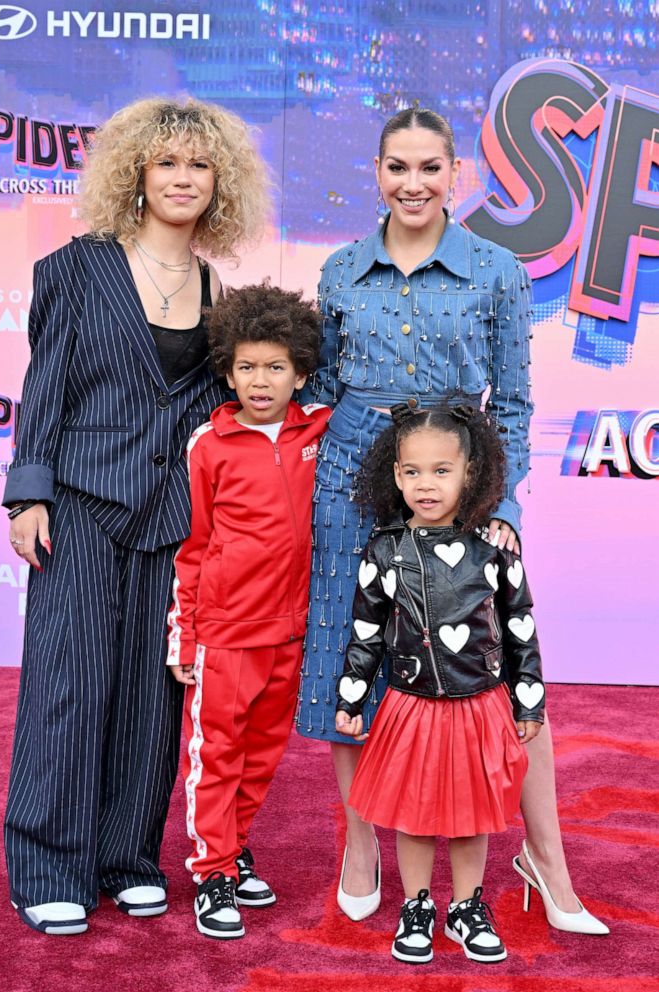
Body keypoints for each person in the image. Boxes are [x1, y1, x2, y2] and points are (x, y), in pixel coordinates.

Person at [296, 106, 608, 935]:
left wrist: (497, 508)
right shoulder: (337, 270)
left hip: (460, 482)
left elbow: (508, 401)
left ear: (454, 175)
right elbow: (318, 386)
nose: (412, 183)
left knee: (496, 671)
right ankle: (359, 843)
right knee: (346, 657)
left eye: (429, 168)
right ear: (376, 172)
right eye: (396, 167)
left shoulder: (496, 269)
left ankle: (547, 861)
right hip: (350, 478)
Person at [3, 97, 269, 935]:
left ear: (217, 181)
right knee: (68, 685)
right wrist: (29, 489)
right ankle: (49, 864)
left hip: (171, 516)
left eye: (198, 164)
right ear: (137, 175)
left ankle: (126, 858)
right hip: (79, 501)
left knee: (152, 695)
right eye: (167, 163)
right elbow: (45, 385)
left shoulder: (218, 288)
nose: (182, 177)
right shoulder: (77, 268)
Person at [336, 403, 545, 964]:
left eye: (441, 470)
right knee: (415, 812)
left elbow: (521, 633)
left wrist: (530, 704)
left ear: (470, 474)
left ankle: (468, 905)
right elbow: (366, 633)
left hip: (480, 706)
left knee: (472, 814)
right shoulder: (383, 552)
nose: (425, 484)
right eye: (412, 472)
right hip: (412, 707)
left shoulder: (496, 554)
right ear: (395, 474)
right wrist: (351, 696)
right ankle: (418, 905)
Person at [166, 282, 331, 940]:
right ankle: (211, 872)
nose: (258, 381)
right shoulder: (208, 444)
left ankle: (233, 851)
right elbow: (192, 546)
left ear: (300, 372)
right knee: (217, 756)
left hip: (291, 633)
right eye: (245, 367)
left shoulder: (319, 429)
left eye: (274, 367)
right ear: (226, 369)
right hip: (225, 635)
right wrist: (185, 640)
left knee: (262, 756)